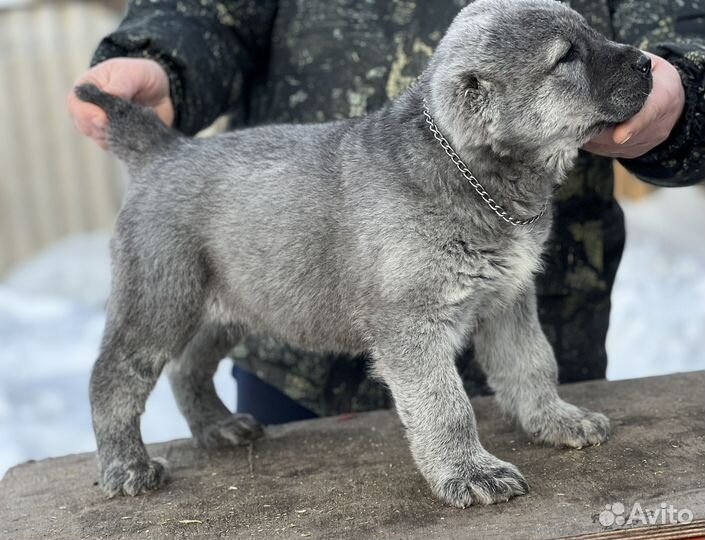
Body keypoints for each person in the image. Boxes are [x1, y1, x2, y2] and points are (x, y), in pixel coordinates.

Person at [68, 0, 705, 423]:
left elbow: (684, 23)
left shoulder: (508, 193)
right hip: (298, 383)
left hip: (571, 321)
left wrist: (685, 86)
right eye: (569, 59)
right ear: (476, 105)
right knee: (148, 338)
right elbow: (205, 12)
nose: (621, 58)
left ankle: (536, 404)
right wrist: (165, 59)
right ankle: (127, 433)